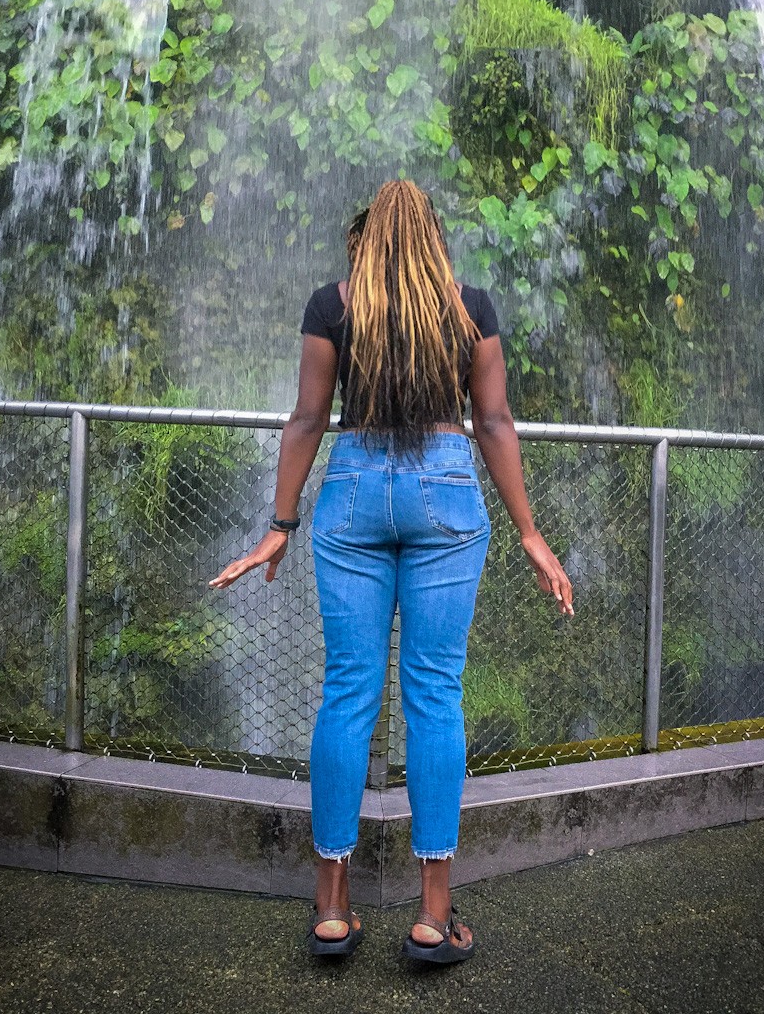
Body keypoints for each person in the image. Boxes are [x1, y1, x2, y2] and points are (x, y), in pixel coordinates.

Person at [210, 178, 574, 967]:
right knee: (435, 693)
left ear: (367, 238)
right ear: (435, 238)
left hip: (351, 493)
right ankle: (433, 917)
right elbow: (494, 422)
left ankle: (333, 910)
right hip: (445, 489)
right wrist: (530, 531)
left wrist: (280, 525)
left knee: (348, 689)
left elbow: (308, 417)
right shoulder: (468, 306)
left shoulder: (332, 307)